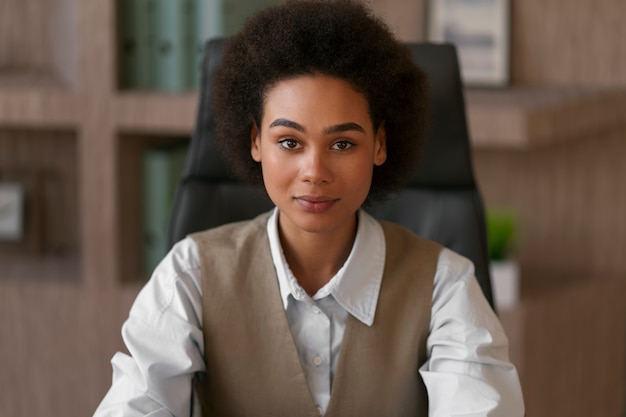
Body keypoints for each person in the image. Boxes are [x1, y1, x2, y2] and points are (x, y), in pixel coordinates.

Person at [94, 1, 524, 416]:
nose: (314, 171)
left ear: (379, 144)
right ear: (255, 142)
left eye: (342, 143)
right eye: (289, 142)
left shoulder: (444, 286)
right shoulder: (189, 276)